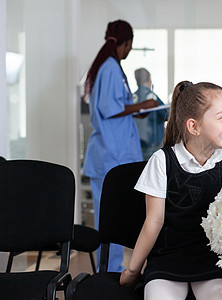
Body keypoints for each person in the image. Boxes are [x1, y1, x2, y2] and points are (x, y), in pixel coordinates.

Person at [120, 81, 222, 300]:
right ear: (193, 127)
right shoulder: (162, 161)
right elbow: (153, 222)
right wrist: (132, 271)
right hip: (167, 259)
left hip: (212, 259)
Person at [82, 20, 158, 272]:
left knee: (113, 218)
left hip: (111, 154)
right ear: (125, 43)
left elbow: (114, 108)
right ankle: (109, 273)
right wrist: (141, 106)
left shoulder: (109, 67)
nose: (128, 51)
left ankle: (111, 270)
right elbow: (109, 108)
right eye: (129, 47)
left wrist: (135, 113)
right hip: (109, 155)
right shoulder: (110, 68)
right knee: (111, 220)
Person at [133, 68, 169, 160]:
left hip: (137, 144)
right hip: (152, 145)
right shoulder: (152, 97)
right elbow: (167, 115)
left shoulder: (134, 97)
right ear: (149, 78)